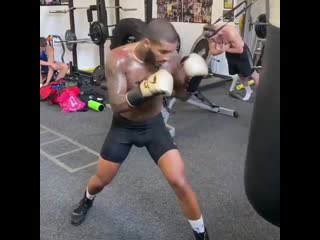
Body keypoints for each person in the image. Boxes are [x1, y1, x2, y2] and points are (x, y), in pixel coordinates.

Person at [69, 19, 210, 240]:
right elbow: (116, 104)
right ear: (146, 42)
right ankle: (87, 199)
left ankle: (201, 234)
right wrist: (146, 89)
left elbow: (181, 95)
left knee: (179, 181)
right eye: (163, 51)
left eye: (172, 52)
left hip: (154, 126)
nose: (167, 57)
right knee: (101, 180)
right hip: (123, 128)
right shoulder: (118, 59)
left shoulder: (170, 59)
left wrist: (193, 81)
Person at [204, 23, 260, 101]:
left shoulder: (230, 33)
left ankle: (261, 96)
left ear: (218, 32)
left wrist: (224, 49)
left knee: (253, 74)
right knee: (240, 74)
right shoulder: (210, 34)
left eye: (214, 38)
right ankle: (248, 91)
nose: (213, 41)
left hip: (242, 53)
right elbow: (213, 51)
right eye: (211, 39)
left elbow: (240, 50)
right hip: (230, 54)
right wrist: (222, 49)